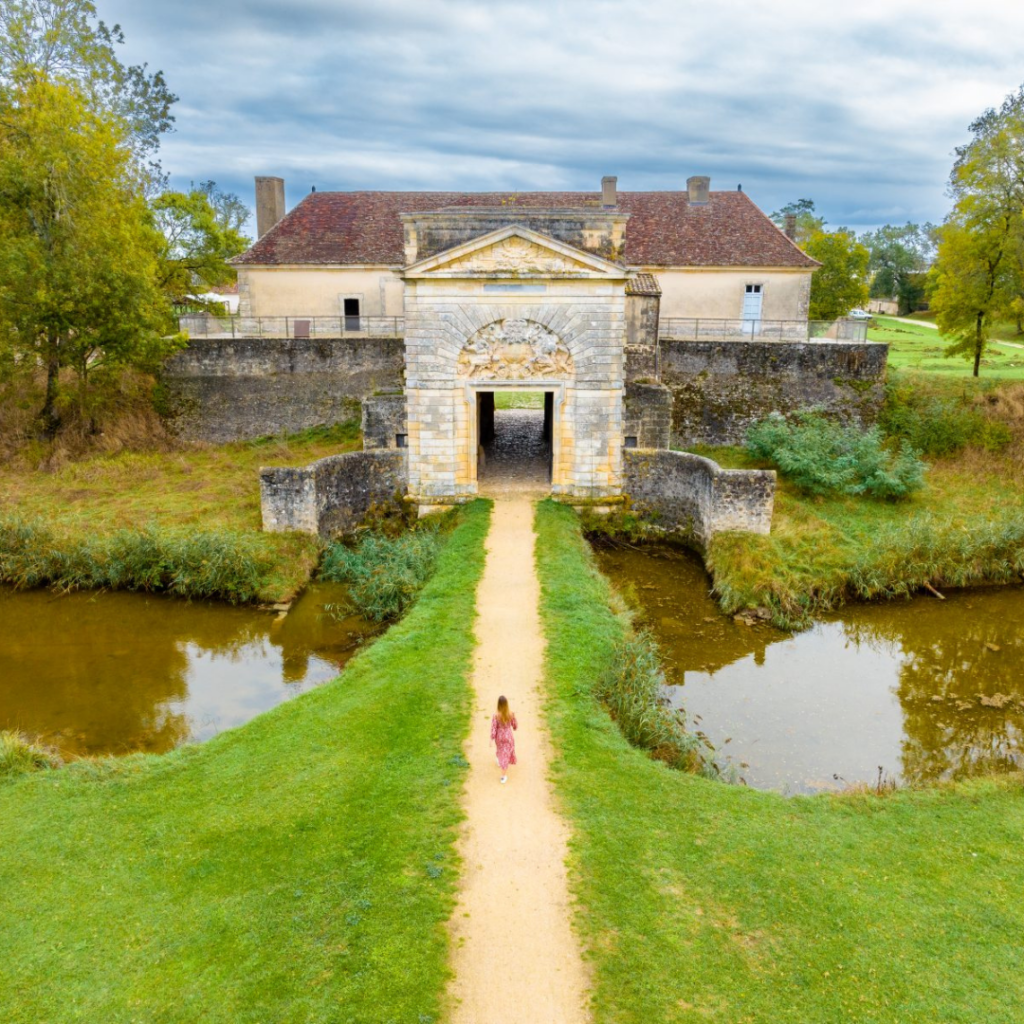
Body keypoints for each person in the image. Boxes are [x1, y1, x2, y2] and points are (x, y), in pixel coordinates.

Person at [490, 695, 517, 784]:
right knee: (506, 754)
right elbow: (515, 726)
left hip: (499, 737)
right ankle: (503, 776)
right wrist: (514, 724)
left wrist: (491, 738)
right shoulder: (511, 714)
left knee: (500, 750)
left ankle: (499, 760)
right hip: (508, 736)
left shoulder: (495, 715)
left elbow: (494, 728)